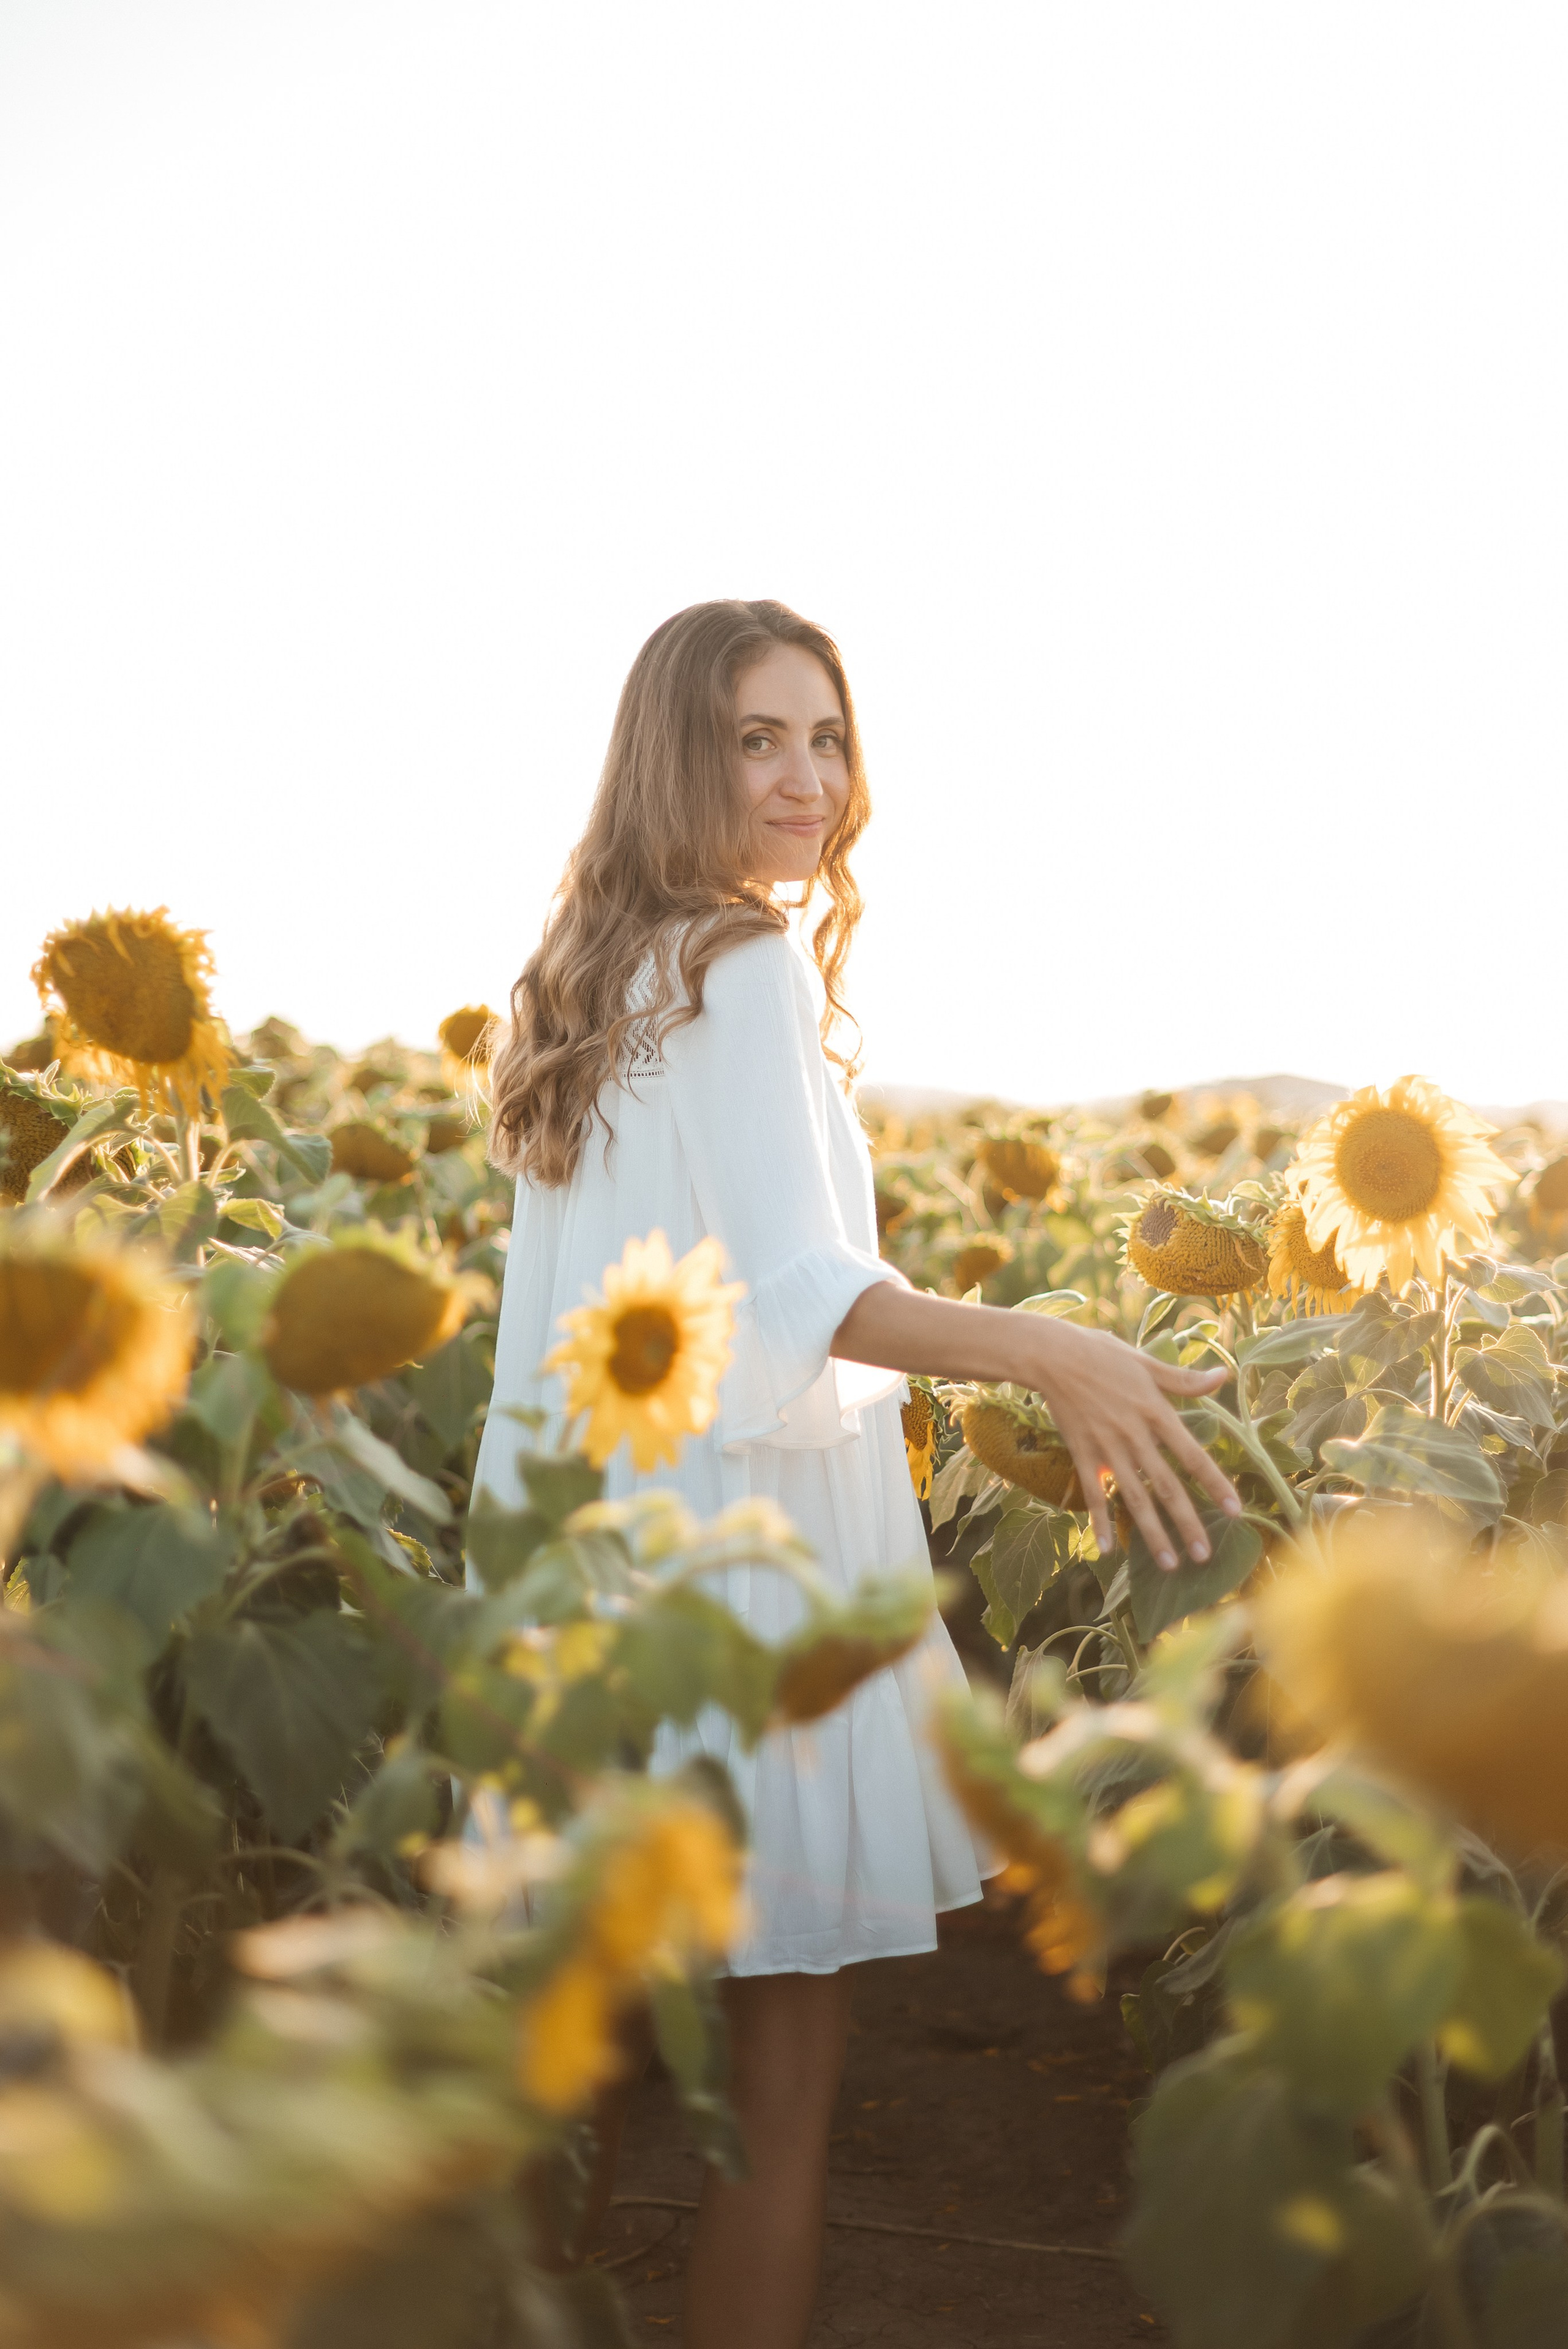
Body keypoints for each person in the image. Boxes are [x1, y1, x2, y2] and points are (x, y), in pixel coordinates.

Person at [476, 598, 1238, 2348]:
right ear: (682, 754)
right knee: (782, 2076)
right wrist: (1057, 1345)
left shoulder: (596, 979)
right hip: (751, 1582)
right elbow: (805, 1294)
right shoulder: (737, 968)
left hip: (596, 1572)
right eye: (760, 738)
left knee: (575, 2052)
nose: (809, 777)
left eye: (826, 737)